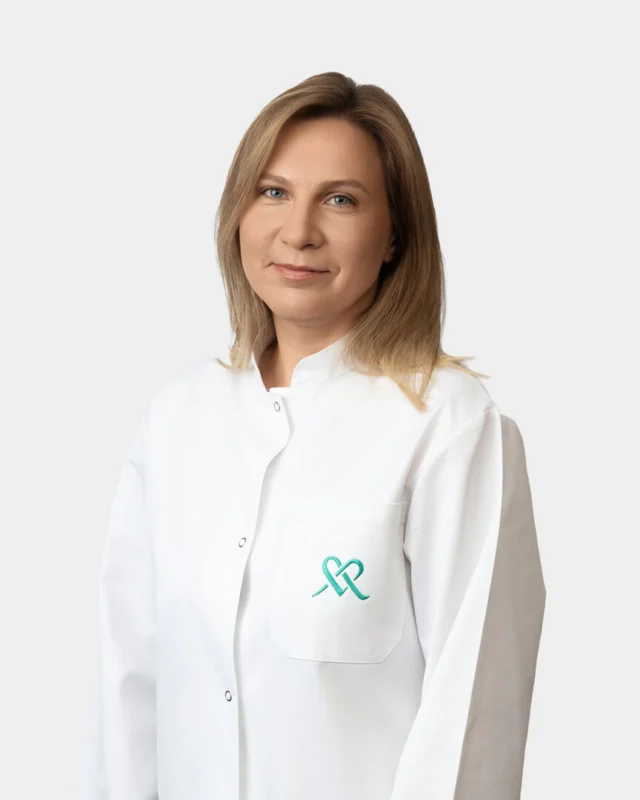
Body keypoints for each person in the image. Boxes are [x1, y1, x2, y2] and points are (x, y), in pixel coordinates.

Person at [76, 71, 546, 800]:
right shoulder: (177, 418)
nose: (298, 231)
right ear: (237, 213)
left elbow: (472, 722)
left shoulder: (448, 425)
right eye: (273, 192)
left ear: (395, 234)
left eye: (340, 199)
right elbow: (127, 685)